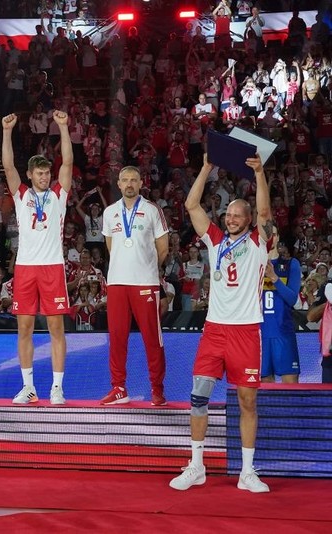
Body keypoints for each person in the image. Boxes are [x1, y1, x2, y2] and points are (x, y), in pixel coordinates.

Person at [170, 153, 273, 493]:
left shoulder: (258, 241)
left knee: (247, 401)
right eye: (228, 214)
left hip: (246, 331)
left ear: (246, 220)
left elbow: (264, 213)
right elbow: (191, 204)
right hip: (214, 330)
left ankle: (247, 472)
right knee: (198, 397)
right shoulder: (215, 240)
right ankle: (196, 466)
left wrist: (259, 174)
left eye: (236, 215)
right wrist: (204, 169)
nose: (230, 218)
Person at [1, 110, 73, 405]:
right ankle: (28, 387)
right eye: (39, 173)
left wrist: (64, 128)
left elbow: (68, 162)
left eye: (47, 173)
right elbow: (7, 166)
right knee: (25, 329)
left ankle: (57, 387)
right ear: (30, 175)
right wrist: (6, 132)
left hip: (52, 268)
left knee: (56, 328)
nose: (45, 177)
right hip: (26, 269)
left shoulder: (59, 194)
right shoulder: (21, 195)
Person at [100, 166, 169, 405]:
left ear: (141, 183)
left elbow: (163, 248)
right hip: (117, 282)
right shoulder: (109, 212)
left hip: (145, 282)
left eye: (134, 180)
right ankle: (118, 388)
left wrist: (146, 267)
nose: (129, 184)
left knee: (152, 338)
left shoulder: (153, 210)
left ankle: (157, 389)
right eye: (125, 180)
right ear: (118, 184)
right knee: (117, 338)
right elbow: (111, 247)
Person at [261, 239, 302, 383]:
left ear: (278, 237)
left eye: (273, 233)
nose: (270, 237)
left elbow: (292, 299)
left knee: (290, 388)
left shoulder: (292, 264)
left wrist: (274, 277)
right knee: (264, 392)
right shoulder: (252, 265)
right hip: (259, 334)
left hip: (283, 333)